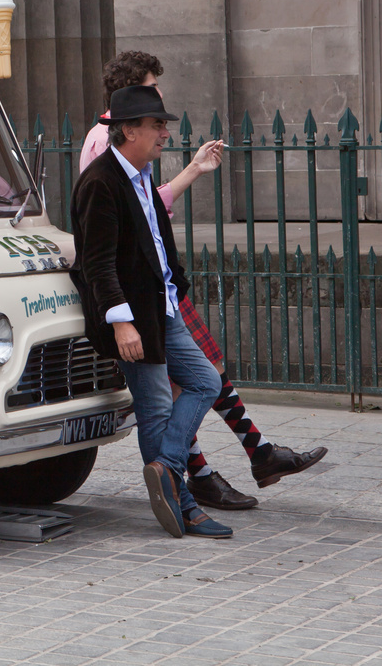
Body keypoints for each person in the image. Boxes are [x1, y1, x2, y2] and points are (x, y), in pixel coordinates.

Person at [82, 51, 327, 507]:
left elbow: (147, 214)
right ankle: (192, 485)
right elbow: (108, 242)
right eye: (155, 93)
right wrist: (122, 317)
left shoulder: (138, 150)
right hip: (138, 296)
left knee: (203, 378)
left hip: (159, 290)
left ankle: (235, 460)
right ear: (131, 114)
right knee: (166, 399)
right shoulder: (105, 149)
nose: (164, 119)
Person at [72, 84, 230, 539]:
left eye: (163, 125)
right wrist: (121, 322)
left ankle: (166, 466)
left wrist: (175, 287)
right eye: (156, 125)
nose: (164, 133)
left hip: (162, 307)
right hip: (133, 317)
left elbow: (159, 244)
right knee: (157, 407)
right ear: (128, 131)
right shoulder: (100, 181)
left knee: (206, 381)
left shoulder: (140, 175)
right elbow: (96, 263)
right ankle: (183, 506)